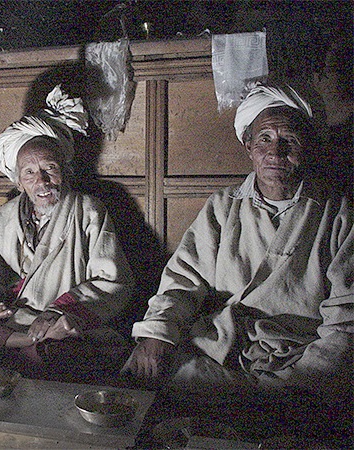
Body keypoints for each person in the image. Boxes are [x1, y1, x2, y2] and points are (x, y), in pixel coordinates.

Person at [123, 83, 353, 398]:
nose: (276, 152)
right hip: (219, 349)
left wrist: (306, 383)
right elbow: (182, 281)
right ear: (248, 145)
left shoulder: (337, 214)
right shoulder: (223, 205)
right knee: (143, 377)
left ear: (307, 145)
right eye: (265, 139)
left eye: (289, 140)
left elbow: (345, 320)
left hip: (298, 362)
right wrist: (156, 337)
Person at [0, 85, 134, 383]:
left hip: (60, 326)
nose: (42, 181)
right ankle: (15, 344)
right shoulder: (5, 217)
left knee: (60, 354)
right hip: (10, 322)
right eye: (29, 173)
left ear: (65, 172)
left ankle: (17, 348)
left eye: (50, 168)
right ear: (18, 181)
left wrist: (59, 313)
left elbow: (114, 281)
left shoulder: (89, 211)